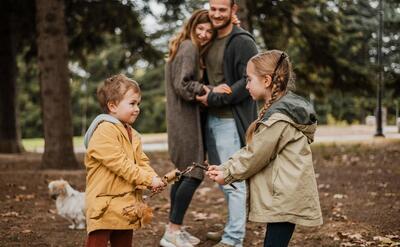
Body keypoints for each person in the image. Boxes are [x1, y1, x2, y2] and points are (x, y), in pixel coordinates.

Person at [206, 50, 323, 247]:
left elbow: (255, 155)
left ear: (267, 80)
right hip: (284, 191)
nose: (246, 85)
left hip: (284, 193)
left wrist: (228, 174)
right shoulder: (277, 110)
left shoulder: (279, 117)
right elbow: (254, 149)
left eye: (249, 79)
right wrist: (225, 167)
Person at [195, 0, 258, 246]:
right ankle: (233, 227)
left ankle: (233, 238)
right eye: (213, 9)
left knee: (232, 179)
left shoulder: (243, 41)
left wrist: (215, 96)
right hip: (211, 119)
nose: (217, 14)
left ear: (233, 11)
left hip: (231, 121)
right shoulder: (209, 38)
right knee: (221, 179)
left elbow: (248, 80)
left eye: (223, 9)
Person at [83, 74, 165, 247]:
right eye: (132, 103)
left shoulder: (132, 134)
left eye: (138, 104)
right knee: (97, 243)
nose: (137, 109)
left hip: (126, 203)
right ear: (112, 106)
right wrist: (147, 179)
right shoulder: (104, 131)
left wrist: (153, 179)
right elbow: (121, 164)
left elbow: (141, 162)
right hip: (104, 205)